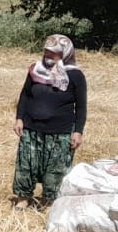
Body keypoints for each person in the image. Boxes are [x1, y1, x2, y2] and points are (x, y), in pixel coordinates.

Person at [11, 34, 87, 209]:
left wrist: (78, 131)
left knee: (55, 168)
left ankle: (49, 201)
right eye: (46, 51)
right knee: (26, 164)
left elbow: (81, 107)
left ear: (65, 53)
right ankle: (23, 198)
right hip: (31, 127)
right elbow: (25, 95)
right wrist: (19, 118)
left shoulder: (75, 76)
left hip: (60, 131)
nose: (47, 55)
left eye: (53, 52)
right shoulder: (35, 70)